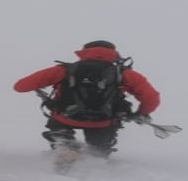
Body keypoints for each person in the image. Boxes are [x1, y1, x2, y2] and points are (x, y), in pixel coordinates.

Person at [13, 40, 160, 157]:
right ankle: (97, 158)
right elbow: (151, 98)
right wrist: (141, 113)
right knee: (99, 150)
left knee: (59, 127)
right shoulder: (124, 74)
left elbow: (20, 86)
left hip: (64, 118)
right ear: (114, 53)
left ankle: (65, 145)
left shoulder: (65, 70)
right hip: (103, 122)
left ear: (83, 52)